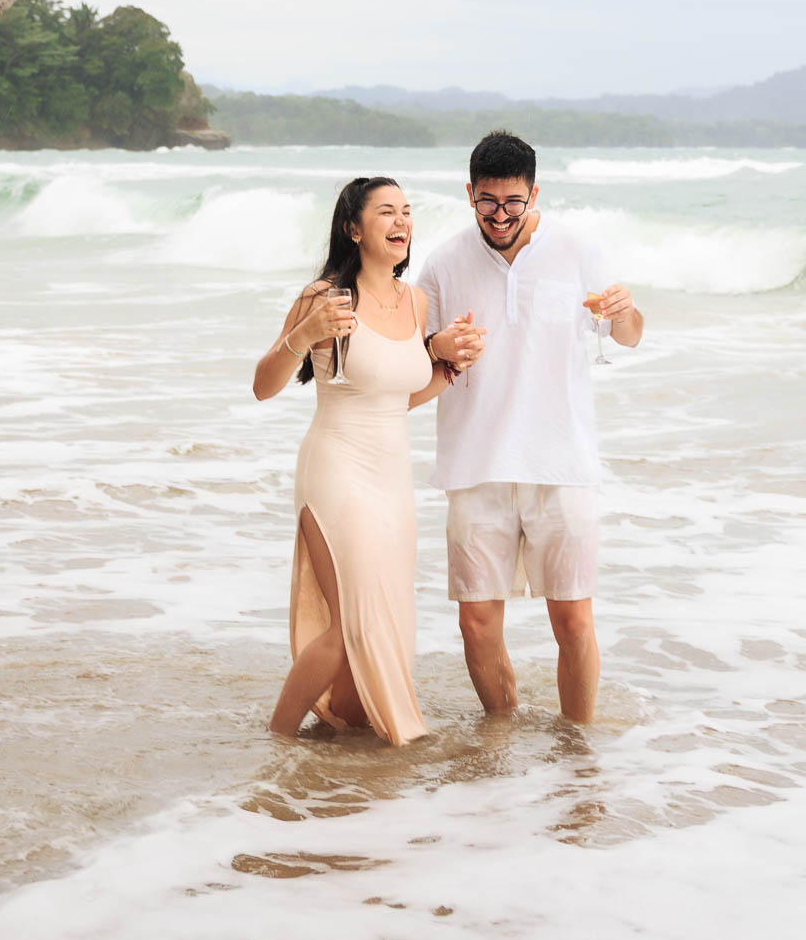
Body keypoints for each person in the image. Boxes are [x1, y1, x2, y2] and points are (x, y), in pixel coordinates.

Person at [252, 175, 483, 746]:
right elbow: (263, 386)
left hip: (392, 480)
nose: (401, 221)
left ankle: (338, 730)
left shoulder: (416, 301)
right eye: (385, 211)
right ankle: (276, 741)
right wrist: (303, 334)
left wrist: (450, 365)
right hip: (336, 471)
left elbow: (397, 398)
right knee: (351, 623)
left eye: (406, 210)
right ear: (354, 229)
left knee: (384, 622)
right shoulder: (324, 297)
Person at [420, 131, 642, 724]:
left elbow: (627, 335)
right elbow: (414, 358)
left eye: (512, 203)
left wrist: (625, 313)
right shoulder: (443, 263)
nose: (499, 216)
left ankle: (577, 744)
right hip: (474, 464)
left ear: (534, 194)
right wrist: (436, 346)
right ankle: (500, 734)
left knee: (573, 621)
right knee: (476, 624)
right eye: (486, 202)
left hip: (561, 463)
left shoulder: (577, 250)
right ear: (469, 193)